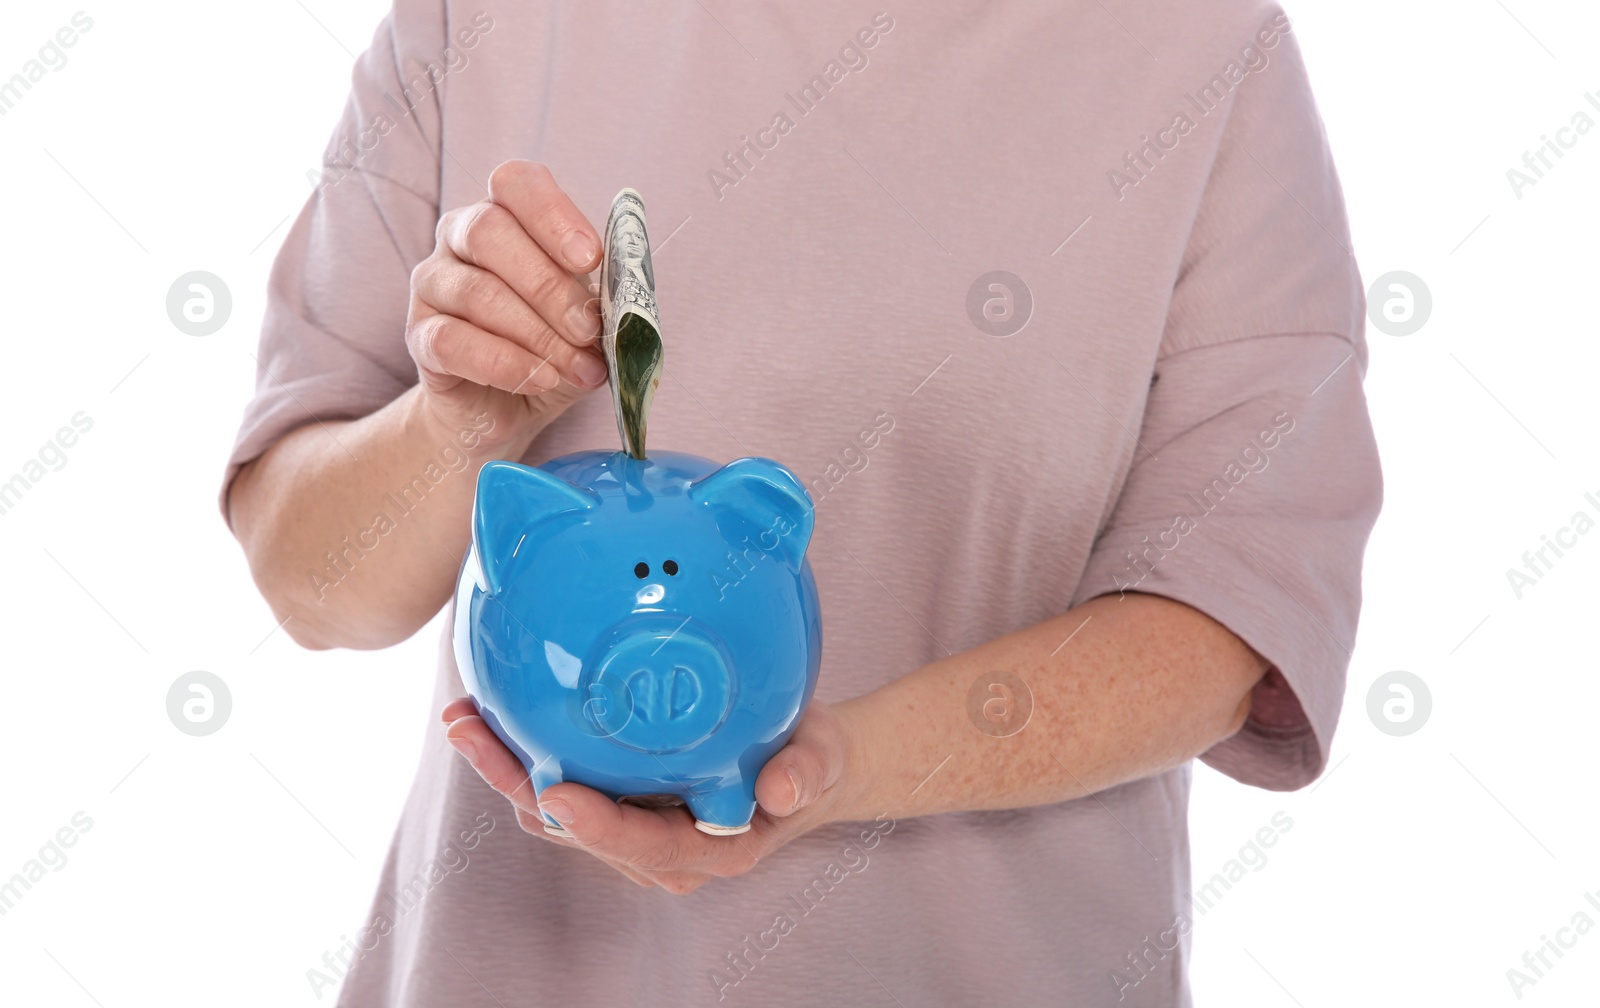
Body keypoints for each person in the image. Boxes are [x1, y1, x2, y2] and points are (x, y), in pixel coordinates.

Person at [223, 2, 1381, 1004]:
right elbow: (309, 580)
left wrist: (834, 768)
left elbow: (1232, 619)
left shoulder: (1210, 60)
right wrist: (457, 426)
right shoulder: (480, 19)